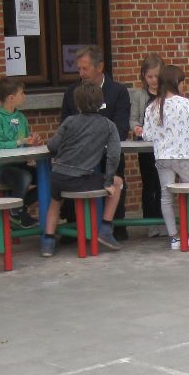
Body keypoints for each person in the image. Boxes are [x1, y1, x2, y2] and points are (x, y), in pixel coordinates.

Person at [42, 82, 121, 257]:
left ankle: (47, 242)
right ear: (101, 103)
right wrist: (108, 182)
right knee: (118, 182)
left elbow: (52, 145)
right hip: (80, 180)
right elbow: (114, 156)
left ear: (77, 103)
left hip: (58, 176)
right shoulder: (109, 125)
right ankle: (106, 229)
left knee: (54, 205)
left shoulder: (70, 121)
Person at [61, 45, 130, 244]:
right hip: (80, 156)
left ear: (99, 67)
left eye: (85, 69)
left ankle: (115, 226)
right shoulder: (72, 92)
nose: (81, 74)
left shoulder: (118, 91)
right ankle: (75, 227)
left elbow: (121, 127)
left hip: (109, 153)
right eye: (79, 69)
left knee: (116, 173)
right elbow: (65, 125)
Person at [141, 65, 189, 249]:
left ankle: (174, 236)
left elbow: (147, 135)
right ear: (177, 82)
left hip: (163, 157)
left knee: (166, 197)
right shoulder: (186, 104)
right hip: (184, 155)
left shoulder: (153, 106)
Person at [0, 75, 42, 228]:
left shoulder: (21, 117)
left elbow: (24, 141)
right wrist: (20, 141)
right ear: (11, 98)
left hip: (21, 163)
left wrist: (32, 141)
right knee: (25, 177)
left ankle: (18, 206)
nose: (25, 96)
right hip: (3, 167)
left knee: (48, 176)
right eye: (22, 93)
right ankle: (16, 212)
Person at [130, 54, 166, 233]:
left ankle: (163, 220)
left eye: (156, 77)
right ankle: (149, 222)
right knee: (149, 184)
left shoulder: (167, 95)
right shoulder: (139, 95)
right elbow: (134, 119)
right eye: (149, 76)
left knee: (162, 184)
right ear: (144, 76)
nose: (153, 80)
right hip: (144, 145)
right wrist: (136, 128)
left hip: (163, 146)